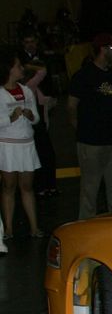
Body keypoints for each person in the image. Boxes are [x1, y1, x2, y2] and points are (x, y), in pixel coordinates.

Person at [68, 33, 112, 219]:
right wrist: (81, 131)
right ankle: (85, 226)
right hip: (91, 141)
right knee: (90, 189)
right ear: (102, 49)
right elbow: (71, 106)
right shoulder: (83, 75)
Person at [0, 47, 43, 239]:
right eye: (18, 66)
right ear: (8, 69)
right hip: (8, 145)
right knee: (9, 186)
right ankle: (8, 228)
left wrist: (31, 115)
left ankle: (34, 227)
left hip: (27, 143)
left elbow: (36, 119)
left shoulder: (26, 90)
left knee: (27, 186)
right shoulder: (0, 93)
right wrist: (11, 117)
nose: (21, 70)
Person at [17, 32, 58, 197]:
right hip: (29, 110)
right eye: (27, 41)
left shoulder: (29, 62)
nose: (30, 44)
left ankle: (46, 184)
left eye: (32, 41)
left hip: (38, 108)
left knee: (44, 149)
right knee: (39, 149)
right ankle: (41, 185)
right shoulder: (25, 63)